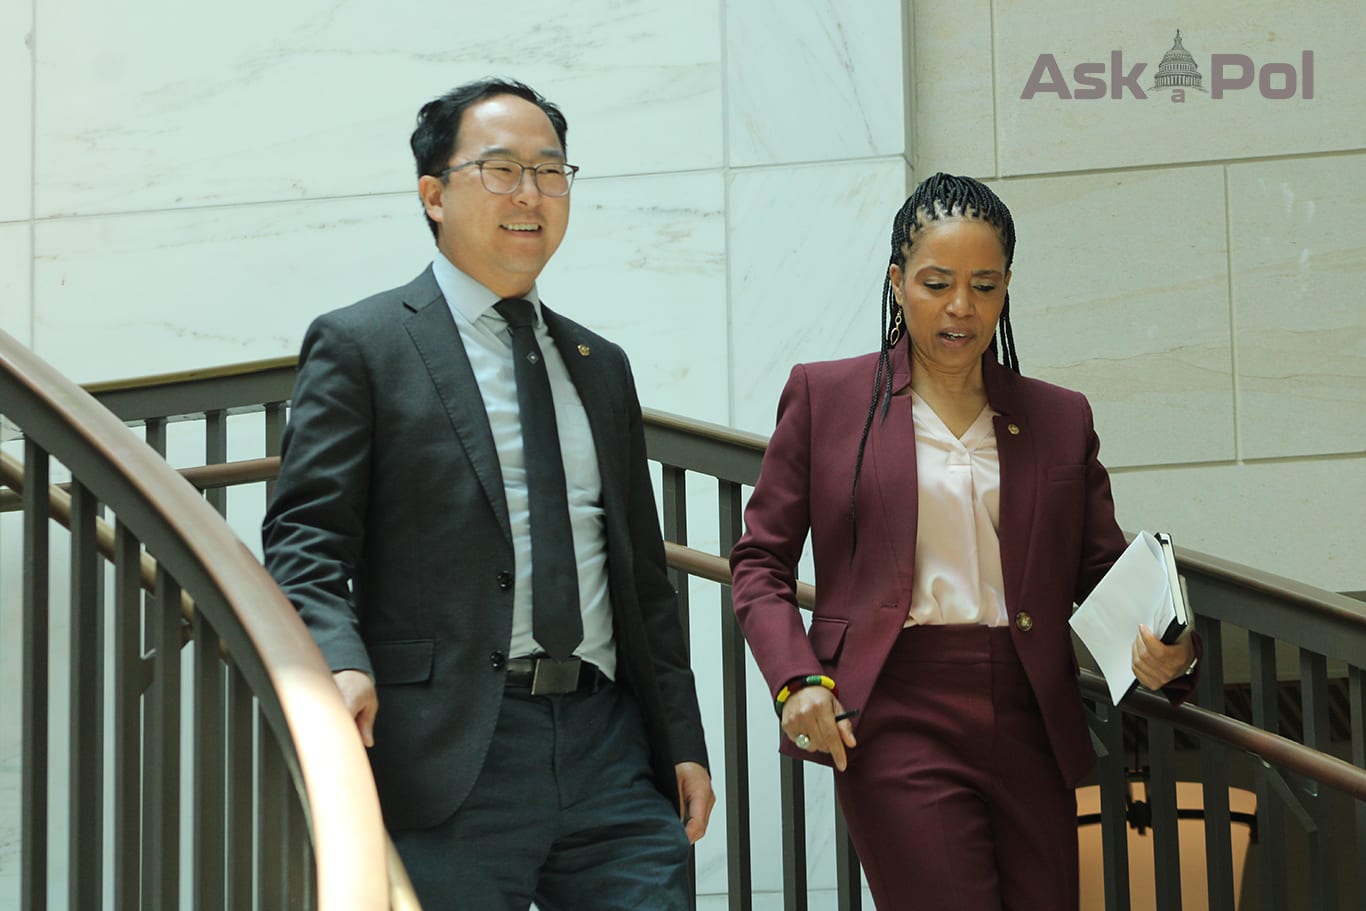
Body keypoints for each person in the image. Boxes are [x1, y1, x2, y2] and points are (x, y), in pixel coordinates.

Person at [262, 77, 713, 910]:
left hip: (609, 747)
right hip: (450, 751)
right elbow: (306, 541)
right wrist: (340, 660)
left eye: (551, 171)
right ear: (433, 194)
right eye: (501, 169)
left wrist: (679, 737)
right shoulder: (363, 346)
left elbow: (643, 577)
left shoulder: (599, 364)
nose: (531, 194)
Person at [728, 173, 1200, 910]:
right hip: (894, 710)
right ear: (897, 280)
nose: (960, 307)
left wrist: (1171, 648)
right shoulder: (828, 397)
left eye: (984, 285)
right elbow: (760, 561)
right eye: (937, 282)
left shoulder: (1058, 416)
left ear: (1007, 286)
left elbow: (1102, 567)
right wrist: (797, 678)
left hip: (1030, 712)